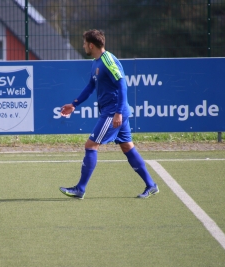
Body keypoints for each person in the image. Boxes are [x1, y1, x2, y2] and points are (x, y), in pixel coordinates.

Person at [59, 29, 159, 200]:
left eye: (84, 43)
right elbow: (90, 86)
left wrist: (118, 112)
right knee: (127, 147)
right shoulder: (95, 63)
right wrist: (74, 104)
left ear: (91, 45)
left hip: (113, 111)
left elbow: (122, 84)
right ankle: (151, 185)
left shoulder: (107, 61)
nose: (83, 46)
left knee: (91, 146)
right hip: (114, 111)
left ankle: (80, 189)